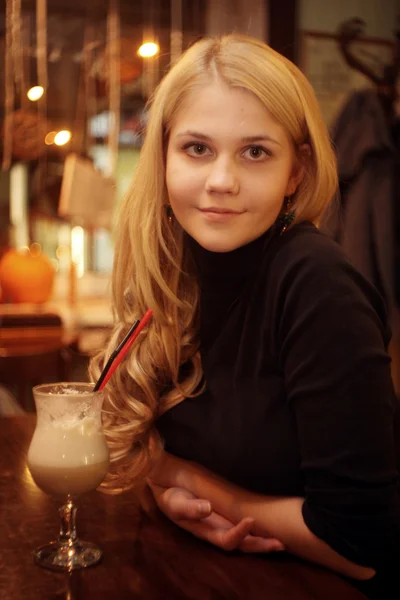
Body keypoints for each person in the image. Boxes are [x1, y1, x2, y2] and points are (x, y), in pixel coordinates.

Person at [90, 34, 400, 598]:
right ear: (162, 159)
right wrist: (165, 488)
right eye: (197, 149)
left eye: (255, 151)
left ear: (296, 171)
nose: (221, 181)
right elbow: (140, 449)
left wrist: (198, 485)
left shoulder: (316, 284)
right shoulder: (174, 268)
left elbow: (362, 545)